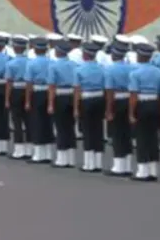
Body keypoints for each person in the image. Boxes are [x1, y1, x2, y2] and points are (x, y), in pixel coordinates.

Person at [127, 42, 160, 181]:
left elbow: (133, 95)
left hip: (142, 104)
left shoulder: (135, 73)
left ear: (140, 56)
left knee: (142, 137)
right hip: (155, 103)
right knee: (153, 137)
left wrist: (131, 113)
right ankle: (154, 170)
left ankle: (143, 170)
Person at [73, 42, 106, 172]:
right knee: (98, 129)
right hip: (100, 98)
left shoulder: (79, 70)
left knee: (87, 130)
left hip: (86, 99)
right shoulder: (102, 69)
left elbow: (77, 91)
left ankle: (89, 163)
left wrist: (76, 108)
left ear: (85, 55)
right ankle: (98, 163)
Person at [104, 43, 135, 176]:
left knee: (117, 133)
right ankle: (127, 166)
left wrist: (109, 109)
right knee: (127, 133)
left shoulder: (109, 70)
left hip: (117, 100)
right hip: (129, 100)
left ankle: (118, 166)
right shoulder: (132, 68)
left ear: (114, 55)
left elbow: (109, 91)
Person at [47, 40, 78, 168]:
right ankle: (71, 158)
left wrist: (50, 103)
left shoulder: (53, 66)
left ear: (58, 51)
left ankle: (62, 158)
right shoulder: (74, 65)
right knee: (70, 127)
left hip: (60, 95)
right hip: (72, 95)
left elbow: (52, 87)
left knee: (60, 127)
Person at [24, 37, 53, 163]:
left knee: (36, 122)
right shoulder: (51, 62)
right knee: (48, 123)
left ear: (35, 50)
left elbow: (29, 83)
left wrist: (27, 101)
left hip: (37, 92)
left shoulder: (31, 63)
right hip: (49, 92)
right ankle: (48, 153)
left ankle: (38, 155)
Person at [5, 35, 31, 159]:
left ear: (15, 48)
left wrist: (7, 99)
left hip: (16, 90)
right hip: (28, 90)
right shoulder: (30, 62)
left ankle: (19, 150)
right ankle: (30, 149)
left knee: (17, 121)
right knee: (29, 121)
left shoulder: (11, 64)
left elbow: (9, 83)